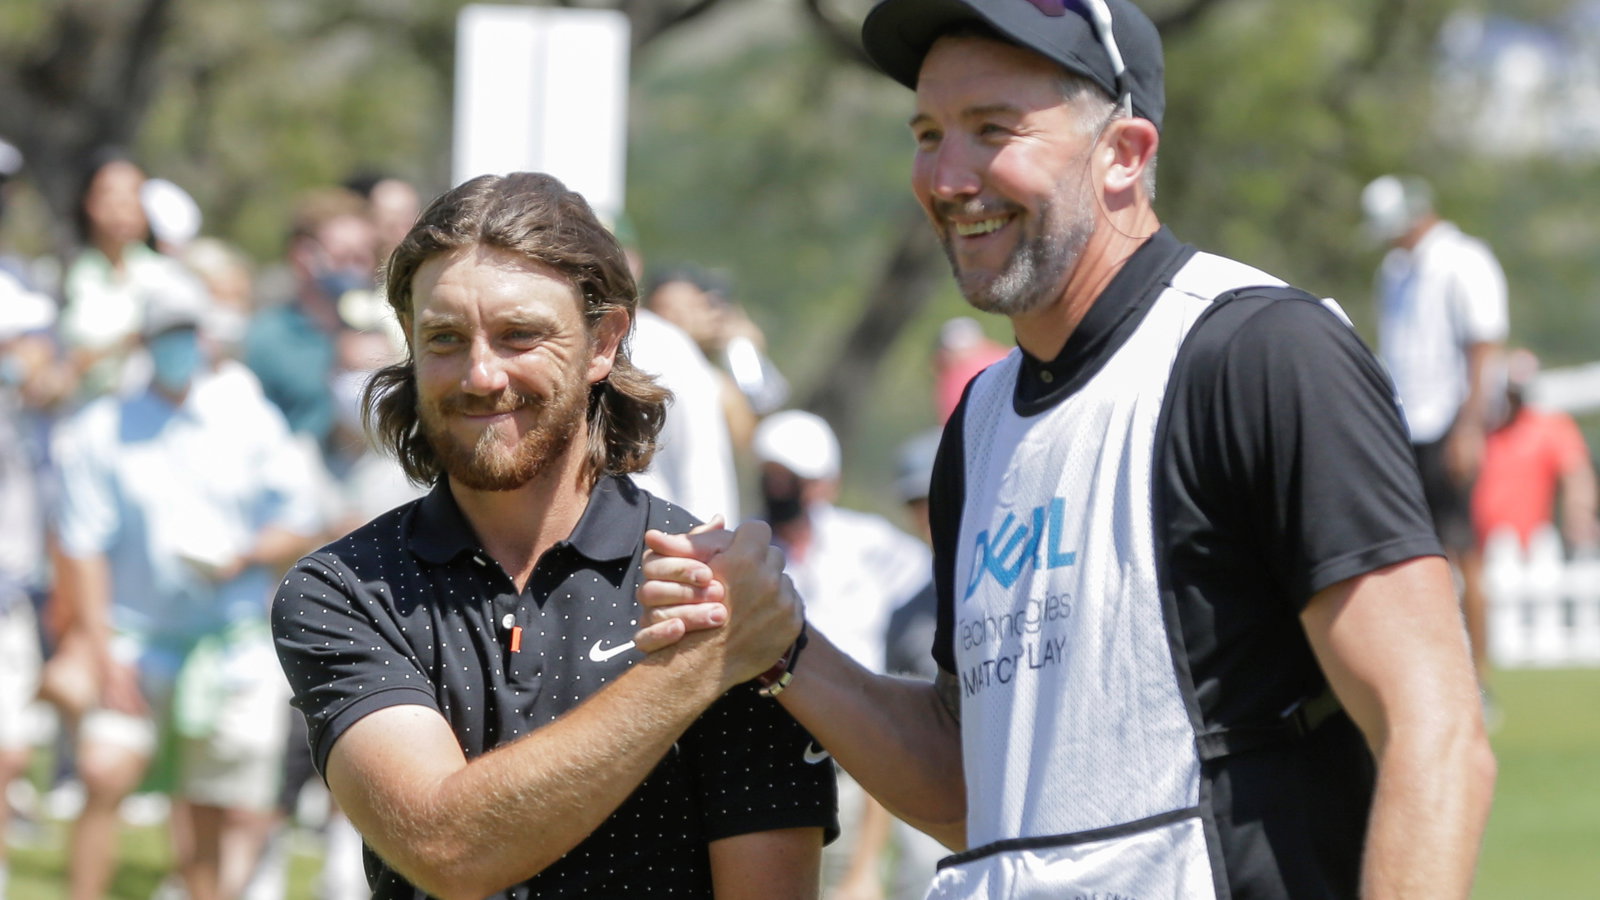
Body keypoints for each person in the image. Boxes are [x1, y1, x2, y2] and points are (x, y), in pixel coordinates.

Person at [636, 2, 1495, 898]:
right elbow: (970, 786)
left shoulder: (1258, 355)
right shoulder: (981, 422)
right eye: (928, 134)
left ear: (1124, 153)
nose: (947, 177)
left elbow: (1433, 734)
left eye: (993, 129)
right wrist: (782, 647)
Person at [270, 172, 835, 900]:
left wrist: (729, 642)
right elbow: (444, 848)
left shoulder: (717, 586)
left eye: (519, 336)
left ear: (604, 341)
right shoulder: (347, 588)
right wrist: (690, 673)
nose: (481, 375)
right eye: (444, 338)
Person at [50, 276, 324, 900]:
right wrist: (97, 647)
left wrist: (244, 556)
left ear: (205, 337)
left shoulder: (247, 418)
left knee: (210, 800)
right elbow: (83, 548)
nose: (177, 346)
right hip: (133, 639)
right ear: (143, 341)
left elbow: (300, 517)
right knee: (103, 772)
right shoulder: (103, 428)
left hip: (226, 642)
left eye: (186, 332)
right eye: (164, 333)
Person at [749, 410, 931, 900]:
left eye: (790, 478)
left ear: (824, 484)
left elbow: (929, 586)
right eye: (772, 475)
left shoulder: (868, 544)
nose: (779, 488)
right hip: (769, 757)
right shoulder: (747, 549)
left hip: (854, 759)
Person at [1362, 172, 1508, 686]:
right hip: (1406, 425)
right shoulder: (1395, 270)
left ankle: (1478, 680)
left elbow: (1484, 346)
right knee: (1417, 555)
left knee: (1463, 552)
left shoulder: (1465, 259)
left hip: (1447, 422)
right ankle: (1437, 674)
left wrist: (1469, 428)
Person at [1474, 348, 1600, 553]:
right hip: (1476, 549)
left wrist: (1580, 517)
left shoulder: (1549, 427)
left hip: (1530, 551)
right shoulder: (1480, 430)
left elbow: (1577, 473)